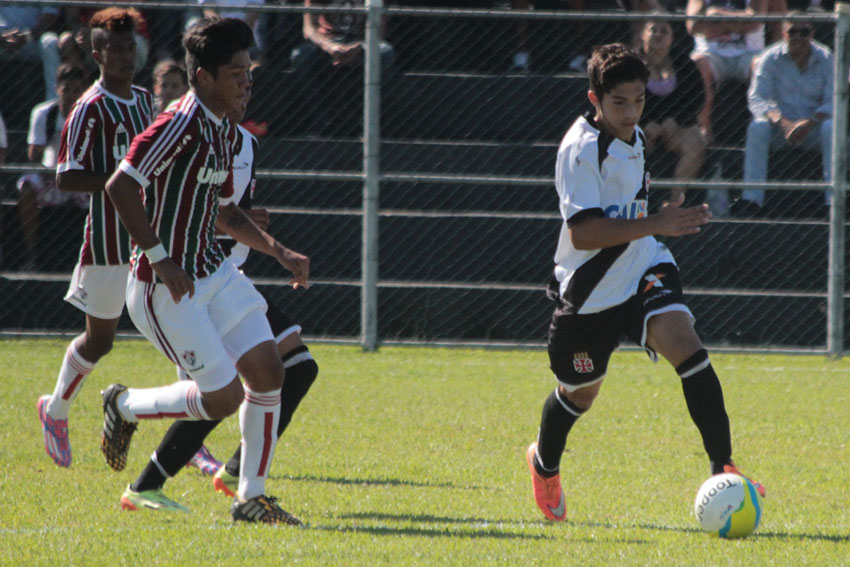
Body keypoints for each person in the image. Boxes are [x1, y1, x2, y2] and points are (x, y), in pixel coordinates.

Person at [524, 43, 765, 522]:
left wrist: (658, 224)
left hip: (642, 266)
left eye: (638, 101)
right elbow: (583, 233)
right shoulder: (580, 150)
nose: (631, 112)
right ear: (594, 99)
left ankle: (724, 467)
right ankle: (544, 465)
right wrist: (657, 221)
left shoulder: (632, 134)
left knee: (687, 348)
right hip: (590, 292)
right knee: (580, 393)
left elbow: (634, 212)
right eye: (619, 103)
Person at [102, 17, 310, 525]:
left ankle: (251, 498)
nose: (247, 83)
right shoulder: (179, 123)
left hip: (213, 273)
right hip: (164, 286)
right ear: (203, 76)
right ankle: (124, 405)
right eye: (236, 74)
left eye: (249, 72)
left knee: (270, 370)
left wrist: (279, 252)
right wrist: (159, 256)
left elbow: (223, 212)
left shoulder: (224, 127)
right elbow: (119, 186)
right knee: (223, 397)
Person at [35, 7, 154, 469]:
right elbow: (65, 177)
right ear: (97, 53)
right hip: (109, 242)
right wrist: (121, 181)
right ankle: (56, 409)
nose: (126, 56)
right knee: (100, 341)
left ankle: (188, 431)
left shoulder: (143, 100)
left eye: (130, 47)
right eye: (115, 49)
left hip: (151, 237)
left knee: (176, 323)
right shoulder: (89, 108)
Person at [736, 15, 833, 216]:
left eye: (804, 32)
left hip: (813, 131)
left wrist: (811, 122)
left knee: (830, 128)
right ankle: (751, 201)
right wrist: (781, 122)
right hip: (779, 131)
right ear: (783, 34)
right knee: (757, 127)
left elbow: (834, 100)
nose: (798, 37)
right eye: (792, 32)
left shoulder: (826, 58)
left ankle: (833, 203)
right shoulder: (769, 58)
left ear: (812, 35)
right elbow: (757, 98)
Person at [17, 64, 90, 270]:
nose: (71, 95)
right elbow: (33, 156)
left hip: (81, 179)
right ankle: (31, 257)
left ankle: (91, 259)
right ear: (57, 89)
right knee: (26, 188)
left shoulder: (92, 114)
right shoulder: (44, 113)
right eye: (66, 90)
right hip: (49, 176)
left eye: (77, 90)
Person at [639, 19, 706, 203]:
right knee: (631, 145)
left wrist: (676, 121)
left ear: (672, 38)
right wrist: (645, 123)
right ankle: (633, 201)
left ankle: (675, 204)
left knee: (696, 145)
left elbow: (697, 97)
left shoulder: (684, 64)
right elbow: (623, 99)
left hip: (678, 126)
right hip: (639, 124)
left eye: (664, 31)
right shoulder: (631, 64)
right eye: (653, 29)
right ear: (643, 35)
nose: (658, 34)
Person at [686, 0, 768, 142]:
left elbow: (754, 22)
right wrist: (739, 23)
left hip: (748, 54)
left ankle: (759, 126)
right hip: (711, 54)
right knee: (698, 63)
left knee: (762, 64)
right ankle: (704, 128)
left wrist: (715, 16)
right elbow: (693, 26)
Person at [0, 5, 61, 99]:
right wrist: (1, 38)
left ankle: (53, 101)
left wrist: (27, 36)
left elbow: (50, 15)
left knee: (50, 41)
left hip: (32, 41)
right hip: (2, 43)